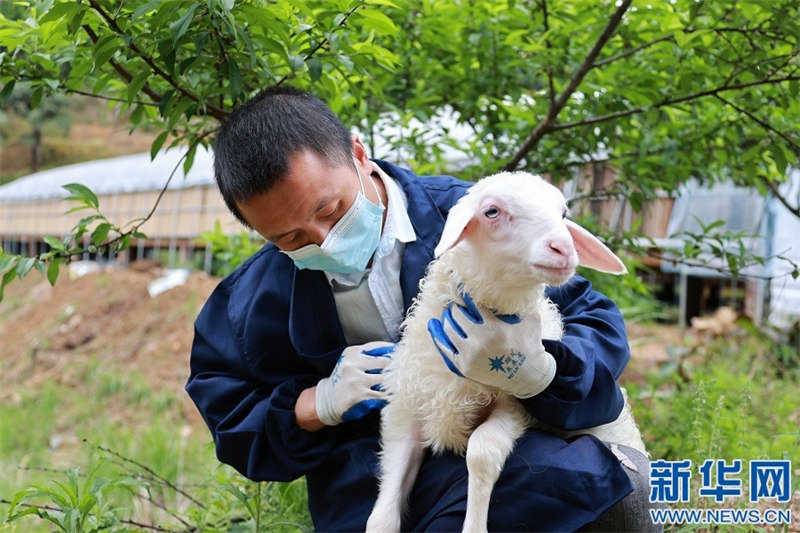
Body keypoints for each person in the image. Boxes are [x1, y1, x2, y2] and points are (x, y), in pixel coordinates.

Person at [186, 85, 660, 532]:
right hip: (370, 481)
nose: (323, 241)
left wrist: (536, 370)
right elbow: (231, 418)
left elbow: (594, 323)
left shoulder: (480, 220)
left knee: (592, 480)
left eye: (330, 211)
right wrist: (317, 404)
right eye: (290, 238)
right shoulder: (249, 301)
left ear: (357, 153)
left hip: (508, 452)